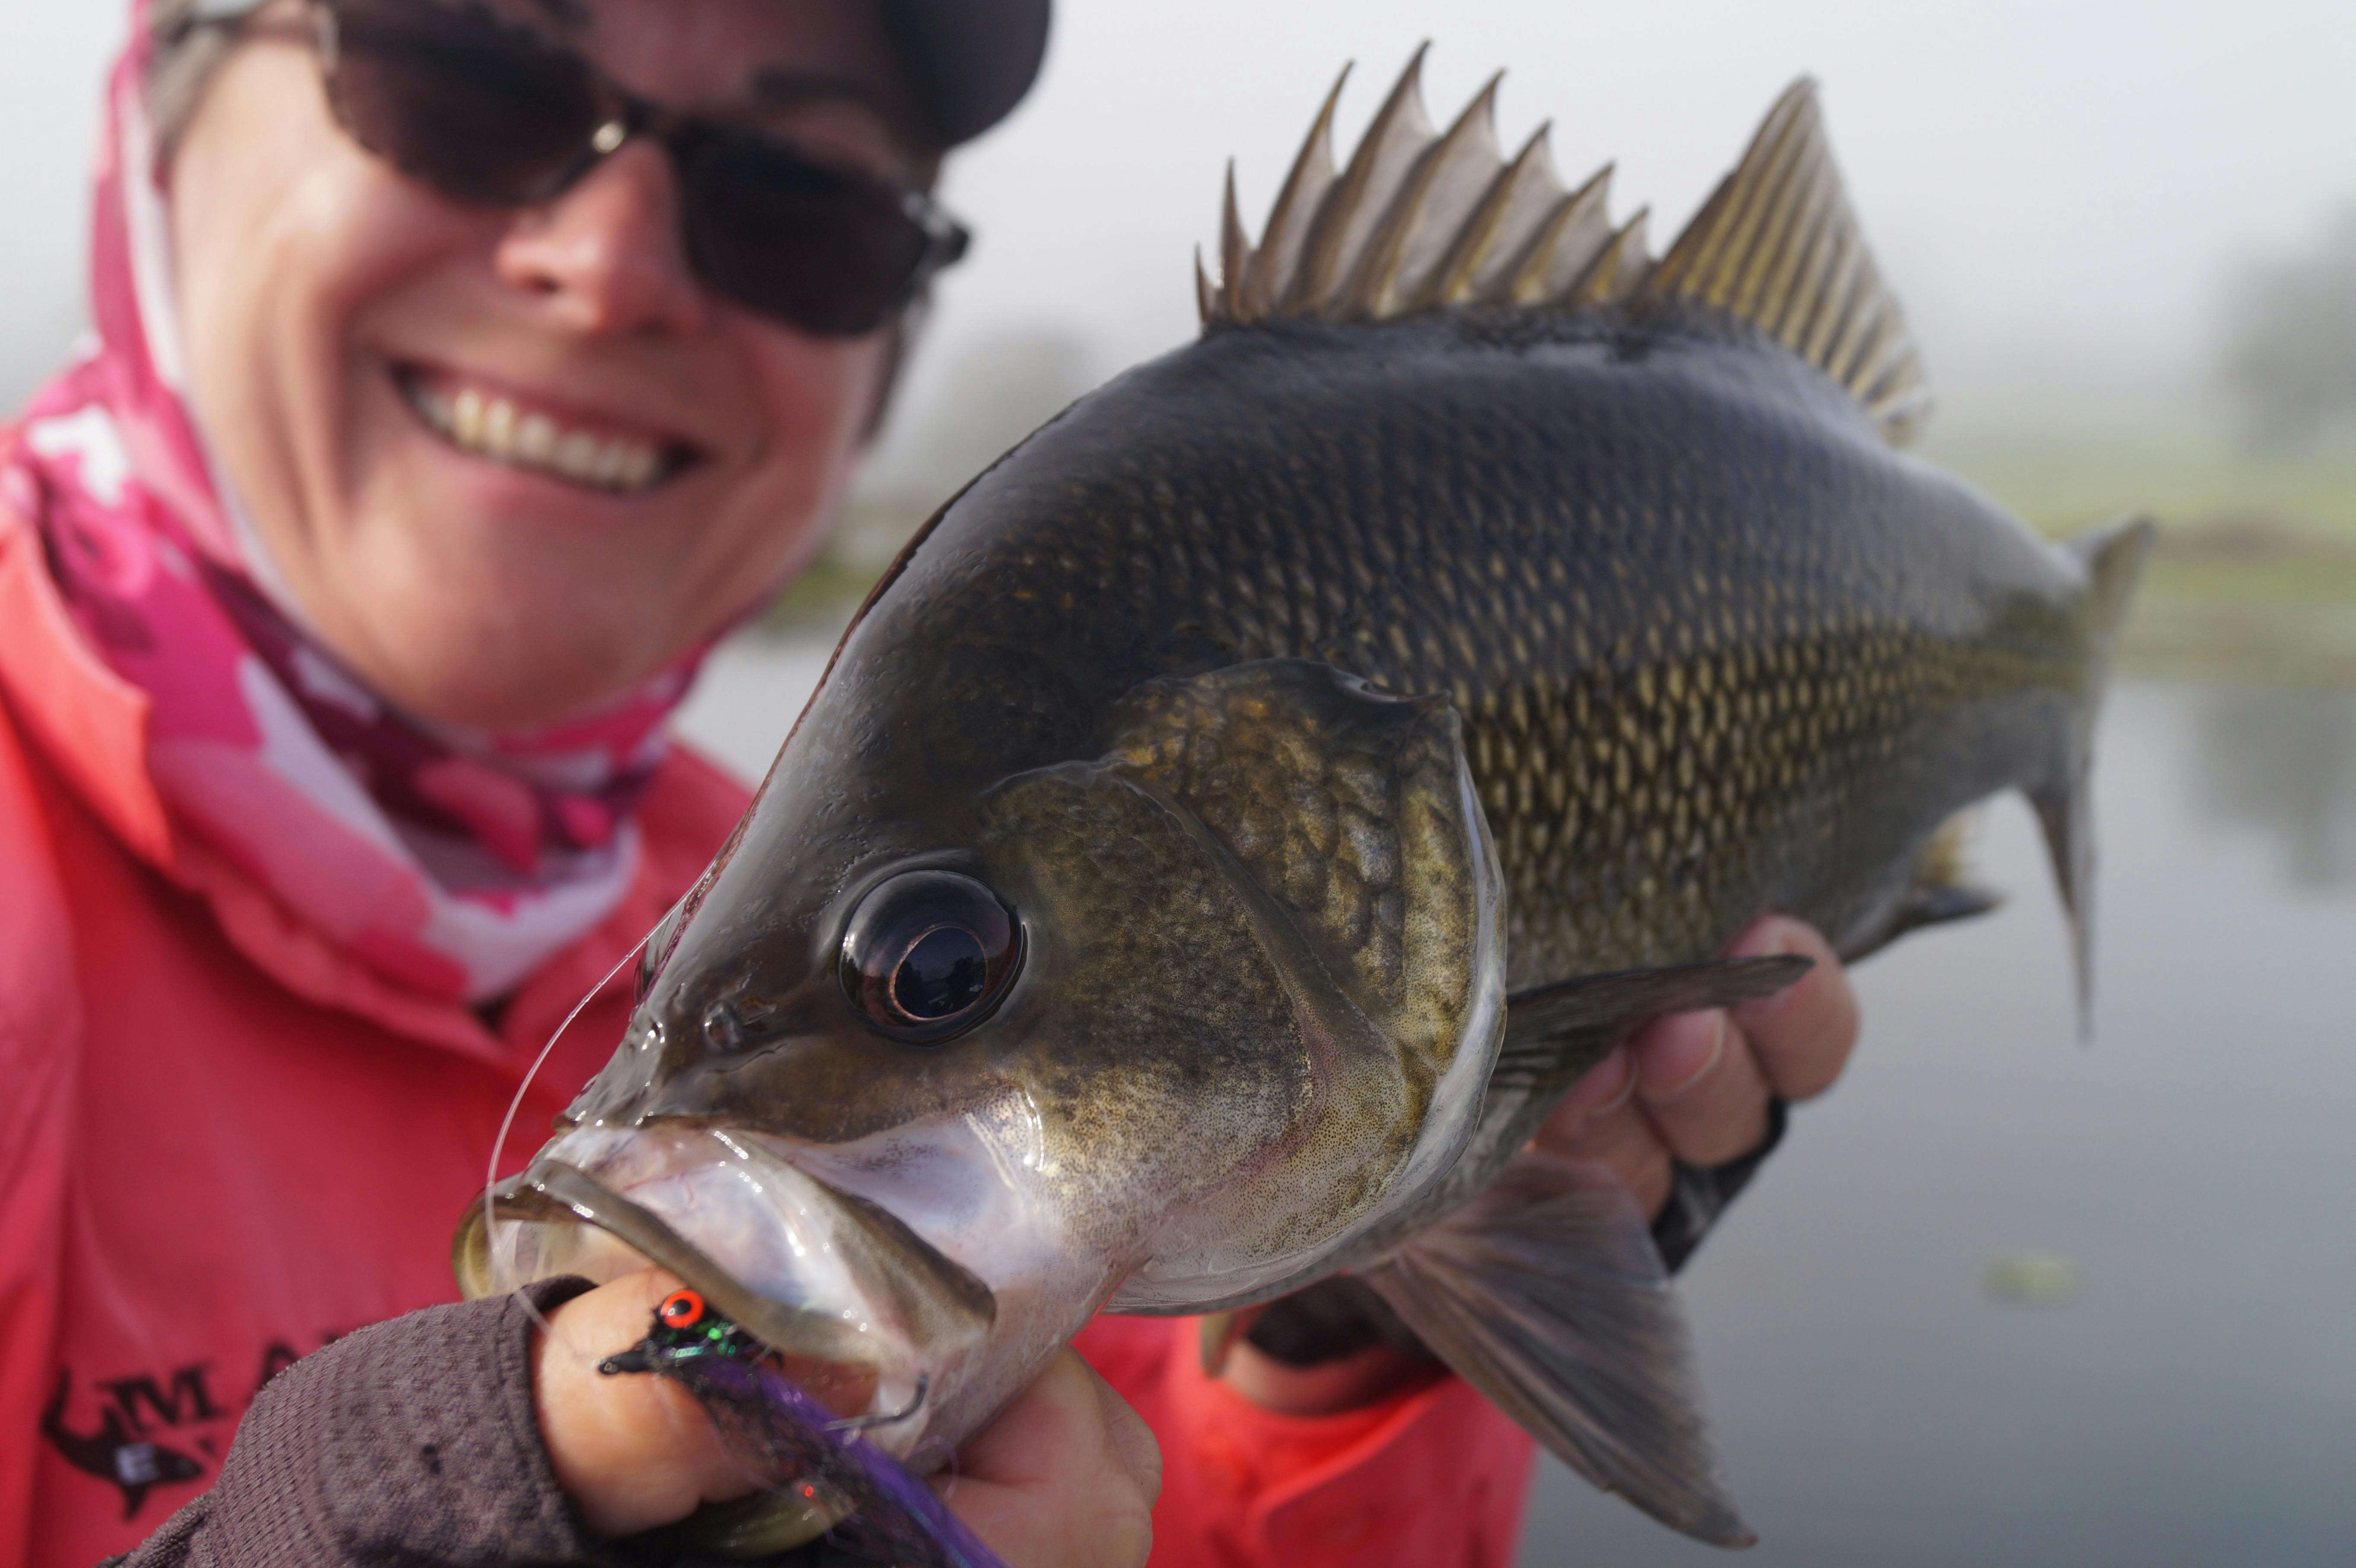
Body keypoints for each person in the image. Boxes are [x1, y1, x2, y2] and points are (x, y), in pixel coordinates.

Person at [0, 1, 1863, 1565]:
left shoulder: (723, 880)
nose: (608, 261)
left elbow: (1143, 1514)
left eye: (797, 201)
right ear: (148, 115)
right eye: (464, 84)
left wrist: (1326, 1339)